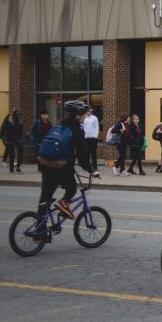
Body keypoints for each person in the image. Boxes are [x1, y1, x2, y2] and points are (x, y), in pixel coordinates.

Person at [33, 100, 99, 241]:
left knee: (45, 198)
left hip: (46, 165)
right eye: (83, 115)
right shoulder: (77, 130)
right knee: (71, 188)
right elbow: (82, 156)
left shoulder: (59, 126)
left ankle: (39, 232)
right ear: (77, 116)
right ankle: (63, 205)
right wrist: (91, 170)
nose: (84, 117)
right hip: (61, 167)